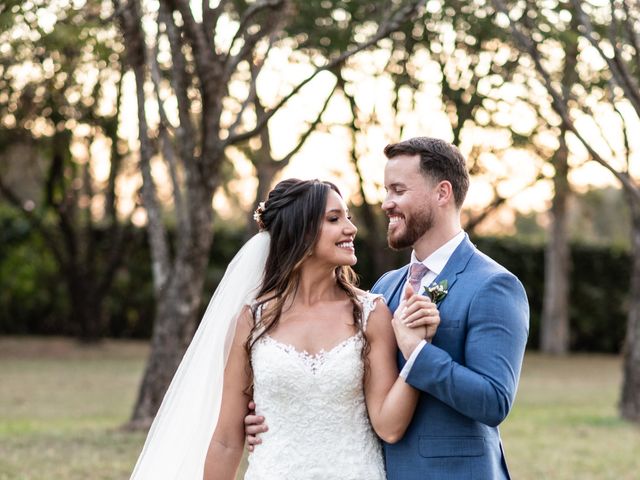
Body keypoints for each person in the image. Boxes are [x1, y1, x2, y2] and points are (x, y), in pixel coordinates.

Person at [245, 138, 530, 480]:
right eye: (386, 191)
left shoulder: (493, 285)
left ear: (442, 193)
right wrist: (279, 415)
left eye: (398, 190)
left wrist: (418, 352)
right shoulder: (382, 290)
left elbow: (493, 401)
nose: (386, 204)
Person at [129, 178, 440, 480]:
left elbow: (389, 426)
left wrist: (418, 352)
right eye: (334, 219)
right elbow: (226, 439)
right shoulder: (253, 320)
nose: (351, 228)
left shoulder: (371, 313)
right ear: (300, 233)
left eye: (348, 217)